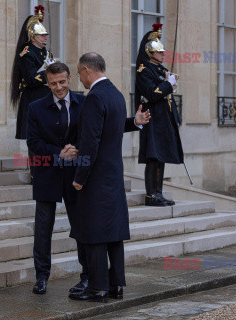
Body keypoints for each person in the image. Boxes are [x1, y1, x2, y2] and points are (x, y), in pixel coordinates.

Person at [69, 53, 149, 303]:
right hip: (113, 174)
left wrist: (80, 176)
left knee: (93, 233)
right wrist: (134, 123)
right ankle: (116, 286)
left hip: (95, 176)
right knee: (113, 233)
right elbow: (110, 127)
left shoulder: (94, 97)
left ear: (86, 70)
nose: (79, 79)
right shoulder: (115, 93)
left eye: (79, 74)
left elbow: (90, 142)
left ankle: (98, 288)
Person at [27, 62, 88, 295]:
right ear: (47, 82)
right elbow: (33, 142)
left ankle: (87, 275)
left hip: (75, 173)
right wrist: (58, 153)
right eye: (53, 83)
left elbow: (92, 133)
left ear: (69, 79)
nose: (58, 87)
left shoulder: (84, 103)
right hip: (47, 173)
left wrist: (76, 151)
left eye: (62, 82)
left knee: (80, 227)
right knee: (43, 229)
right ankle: (41, 277)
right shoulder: (35, 108)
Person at [135, 23, 184, 206]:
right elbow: (152, 94)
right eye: (159, 52)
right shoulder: (144, 70)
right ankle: (150, 195)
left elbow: (168, 98)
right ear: (150, 53)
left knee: (161, 156)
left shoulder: (161, 70)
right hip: (151, 117)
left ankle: (159, 192)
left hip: (163, 118)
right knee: (153, 156)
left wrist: (175, 118)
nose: (163, 54)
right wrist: (168, 84)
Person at [11, 6, 54, 181]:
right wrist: (49, 74)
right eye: (42, 35)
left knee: (48, 135)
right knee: (35, 138)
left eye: (45, 35)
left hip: (46, 96)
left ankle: (47, 169)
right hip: (33, 98)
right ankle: (35, 173)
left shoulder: (45, 52)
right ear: (33, 36)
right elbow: (30, 79)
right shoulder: (26, 54)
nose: (45, 38)